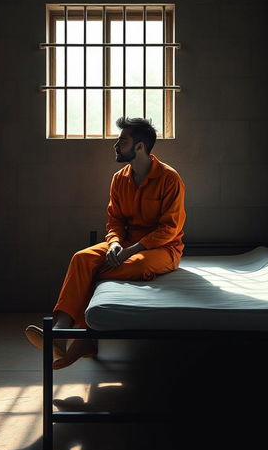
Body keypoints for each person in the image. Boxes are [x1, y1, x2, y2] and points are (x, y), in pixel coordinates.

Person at [25, 116, 186, 369]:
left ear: (140, 147)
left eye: (122, 141)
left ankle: (83, 338)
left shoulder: (169, 178)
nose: (116, 145)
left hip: (163, 249)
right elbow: (115, 221)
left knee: (136, 264)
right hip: (124, 244)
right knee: (82, 258)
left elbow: (169, 228)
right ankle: (60, 330)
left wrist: (129, 251)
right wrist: (114, 245)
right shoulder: (119, 179)